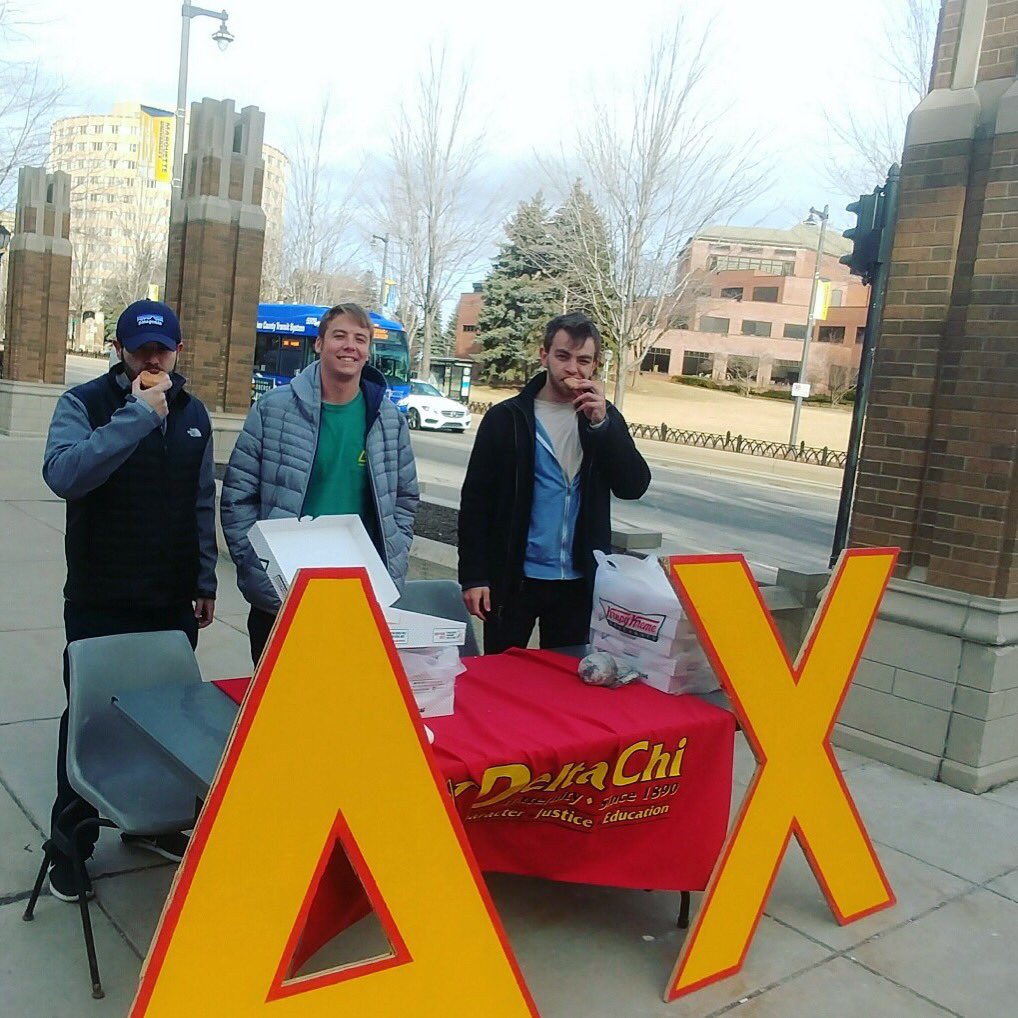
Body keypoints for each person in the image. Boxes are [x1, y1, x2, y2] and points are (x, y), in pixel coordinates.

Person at [42, 299, 217, 900]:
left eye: (162, 347)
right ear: (119, 349)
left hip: (169, 599)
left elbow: (201, 503)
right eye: (140, 346)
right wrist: (136, 417)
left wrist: (205, 580)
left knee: (168, 720)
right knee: (88, 720)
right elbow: (65, 474)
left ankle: (153, 825)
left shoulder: (194, 414)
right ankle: (68, 846)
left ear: (177, 351)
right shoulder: (84, 404)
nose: (152, 356)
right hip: (101, 596)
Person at [221, 301, 419, 664]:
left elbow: (404, 500)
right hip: (282, 596)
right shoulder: (273, 410)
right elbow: (238, 497)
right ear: (319, 344)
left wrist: (394, 559)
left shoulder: (388, 420)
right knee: (278, 712)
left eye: (360, 339)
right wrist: (259, 567)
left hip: (357, 597)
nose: (350, 346)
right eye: (339, 336)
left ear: (368, 350)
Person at [459, 312, 651, 654]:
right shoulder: (507, 418)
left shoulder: (603, 418)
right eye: (563, 356)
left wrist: (602, 426)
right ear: (544, 354)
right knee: (504, 680)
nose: (573, 369)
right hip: (514, 579)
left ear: (594, 366)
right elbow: (476, 502)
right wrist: (474, 577)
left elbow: (633, 486)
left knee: (565, 683)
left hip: (579, 583)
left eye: (583, 360)